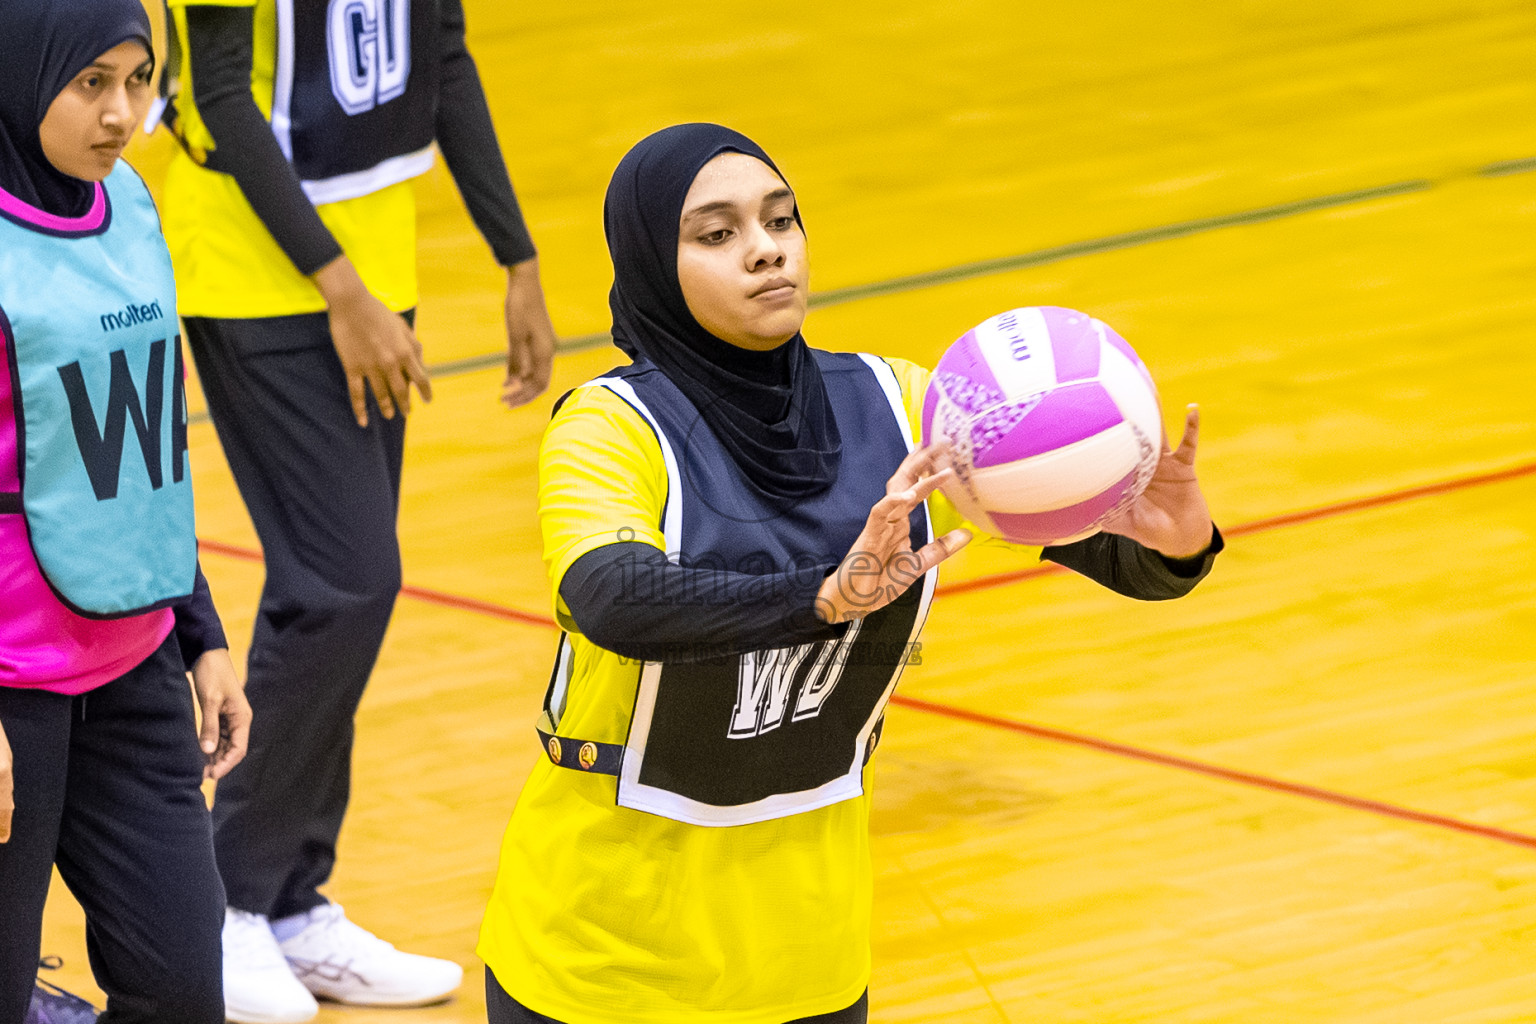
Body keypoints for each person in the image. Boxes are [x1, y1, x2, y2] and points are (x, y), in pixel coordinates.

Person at [477, 122, 1224, 1023]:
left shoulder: (900, 404)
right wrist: (820, 597)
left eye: (781, 221)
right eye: (717, 235)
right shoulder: (610, 427)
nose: (764, 251)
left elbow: (1135, 569)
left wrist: (1167, 537)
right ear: (650, 264)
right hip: (600, 966)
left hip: (809, 966)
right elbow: (612, 598)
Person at [156, 0, 559, 1018]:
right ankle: (224, 900)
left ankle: (291, 900)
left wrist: (518, 256)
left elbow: (447, 56)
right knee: (345, 581)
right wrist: (340, 291)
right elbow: (218, 97)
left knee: (343, 592)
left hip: (378, 270)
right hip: (259, 274)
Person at [0, 2, 252, 1021]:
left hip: (136, 666)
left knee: (185, 990)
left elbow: (148, 446)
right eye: (90, 83)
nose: (121, 113)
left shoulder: (132, 205)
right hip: (12, 689)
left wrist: (201, 633)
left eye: (138, 80)